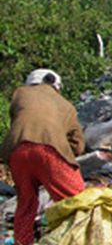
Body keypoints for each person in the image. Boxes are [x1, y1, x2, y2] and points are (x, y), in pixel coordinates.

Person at [1, 69, 86, 245]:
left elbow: (19, 122)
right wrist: (69, 157)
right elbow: (77, 143)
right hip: (49, 150)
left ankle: (22, 242)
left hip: (16, 152)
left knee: (26, 204)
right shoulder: (65, 104)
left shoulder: (20, 94)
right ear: (56, 86)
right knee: (78, 200)